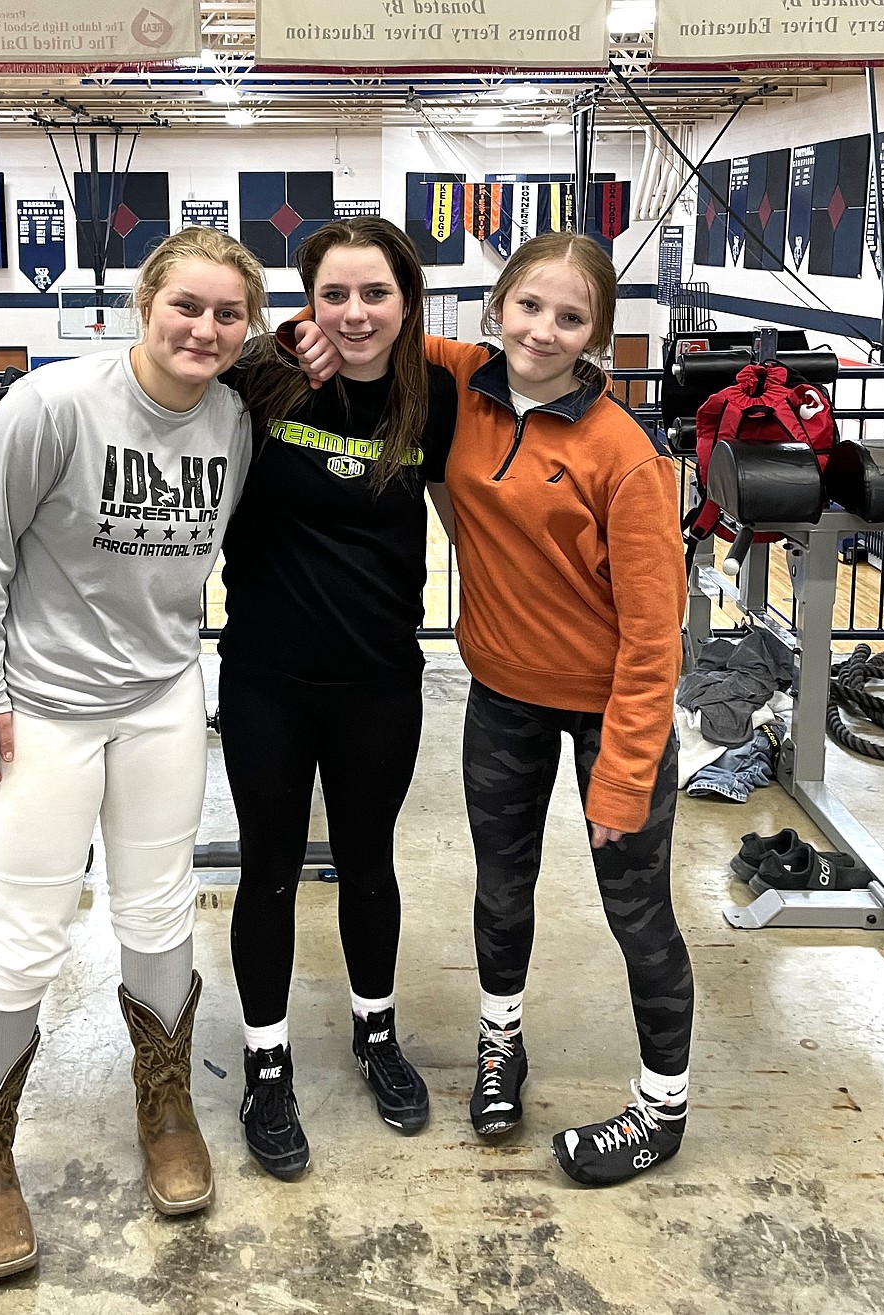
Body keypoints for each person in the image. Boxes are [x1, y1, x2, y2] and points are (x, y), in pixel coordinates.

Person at [291, 230, 693, 1187]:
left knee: (637, 910)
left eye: (571, 318)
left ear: (596, 334)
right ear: (496, 307)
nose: (544, 332)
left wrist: (626, 773)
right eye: (529, 307)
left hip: (609, 711)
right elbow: (362, 321)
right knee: (501, 889)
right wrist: (293, 331)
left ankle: (661, 1107)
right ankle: (500, 1040)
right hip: (503, 695)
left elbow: (654, 637)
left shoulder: (625, 456)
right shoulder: (460, 376)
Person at [0, 226, 267, 1280]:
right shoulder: (52, 405)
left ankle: (166, 1103)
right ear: (146, 302)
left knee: (160, 907)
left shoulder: (231, 419)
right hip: (43, 707)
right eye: (189, 306)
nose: (206, 329)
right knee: (26, 935)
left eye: (229, 313)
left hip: (165, 697)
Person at [215, 217, 457, 1179]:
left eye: (376, 294)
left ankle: (375, 1034)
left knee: (369, 864)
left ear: (407, 304)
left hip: (379, 682)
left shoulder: (434, 395)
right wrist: (272, 346)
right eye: (334, 295)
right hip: (268, 678)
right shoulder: (264, 381)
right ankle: (265, 1062)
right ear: (306, 302)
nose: (355, 314)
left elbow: (530, 371)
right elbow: (165, 357)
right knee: (268, 869)